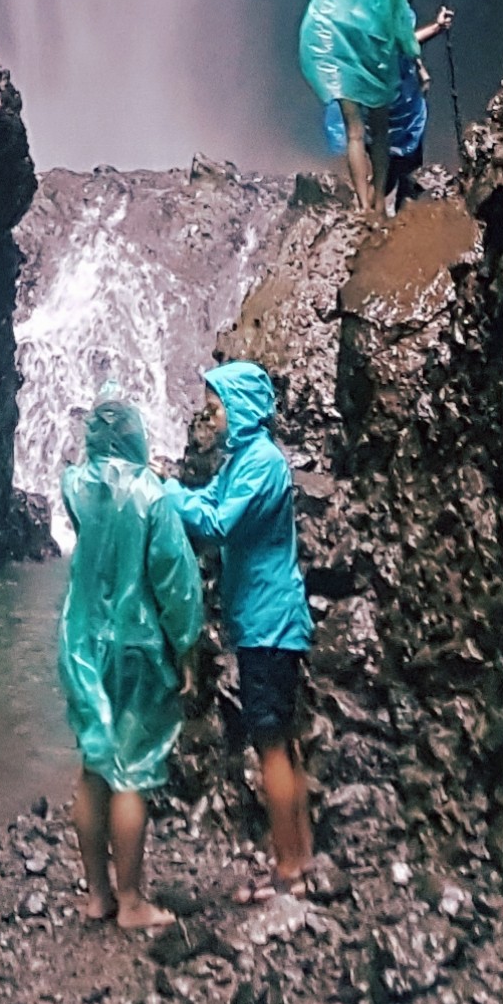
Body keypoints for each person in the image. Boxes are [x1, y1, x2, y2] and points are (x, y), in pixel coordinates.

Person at [58, 389, 205, 935]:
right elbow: (175, 581)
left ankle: (97, 895)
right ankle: (131, 900)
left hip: (82, 641)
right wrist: (187, 647)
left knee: (93, 766)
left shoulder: (75, 486)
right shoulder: (151, 494)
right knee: (131, 772)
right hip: (137, 644)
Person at [176, 360, 316, 888]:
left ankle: (289, 866)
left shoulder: (261, 463)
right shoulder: (244, 461)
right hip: (264, 620)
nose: (211, 416)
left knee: (271, 743)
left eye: (218, 407)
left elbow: (217, 522)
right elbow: (210, 499)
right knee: (283, 736)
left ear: (241, 408)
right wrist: (171, 491)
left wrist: (164, 497)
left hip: (269, 622)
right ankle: (301, 854)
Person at [298, 0, 420, 218]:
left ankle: (362, 201)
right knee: (381, 133)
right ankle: (379, 200)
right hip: (377, 62)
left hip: (343, 63)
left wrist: (323, 53)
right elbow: (399, 20)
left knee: (354, 133)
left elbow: (325, 8)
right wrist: (412, 51)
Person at [381, 0, 456, 216]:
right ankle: (374, 210)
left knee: (409, 157)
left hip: (405, 91)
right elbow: (403, 42)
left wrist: (420, 68)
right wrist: (436, 28)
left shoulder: (402, 11)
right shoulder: (385, 10)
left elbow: (408, 45)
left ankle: (401, 208)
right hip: (389, 94)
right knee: (389, 157)